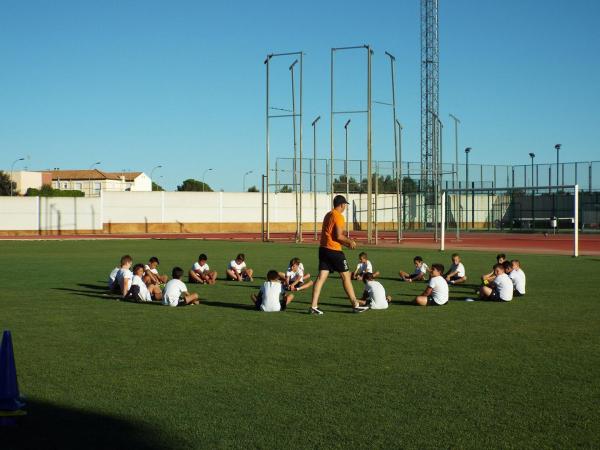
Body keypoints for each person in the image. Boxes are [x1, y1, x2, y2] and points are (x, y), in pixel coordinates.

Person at [309, 195, 369, 314]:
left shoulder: (328, 214)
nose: (345, 206)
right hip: (334, 251)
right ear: (342, 205)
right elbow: (338, 236)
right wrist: (349, 242)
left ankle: (313, 306)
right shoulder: (339, 216)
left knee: (321, 278)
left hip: (323, 249)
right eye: (345, 204)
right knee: (346, 277)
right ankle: (355, 304)